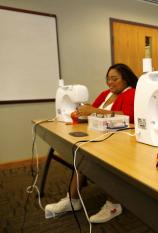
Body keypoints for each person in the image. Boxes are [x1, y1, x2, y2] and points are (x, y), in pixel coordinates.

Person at [45, 63, 138, 223]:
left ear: (125, 80)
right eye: (108, 79)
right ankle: (72, 200)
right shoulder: (105, 94)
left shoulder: (131, 93)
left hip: (118, 140)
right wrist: (82, 112)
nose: (110, 82)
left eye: (114, 79)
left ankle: (113, 204)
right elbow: (92, 109)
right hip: (99, 135)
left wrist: (94, 111)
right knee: (80, 154)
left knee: (101, 160)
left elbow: (128, 117)